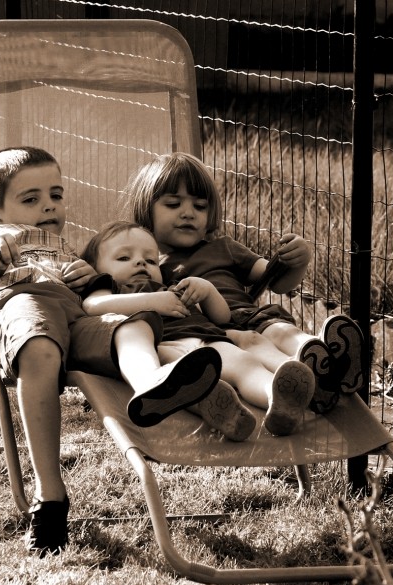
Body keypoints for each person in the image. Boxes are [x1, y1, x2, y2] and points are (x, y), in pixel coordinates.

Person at [0, 147, 224, 557]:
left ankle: (153, 386)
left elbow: (98, 302)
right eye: (31, 199)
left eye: (55, 195)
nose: (48, 206)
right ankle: (51, 496)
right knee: (40, 347)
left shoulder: (69, 250)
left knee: (133, 326)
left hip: (77, 316)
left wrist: (92, 278)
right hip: (23, 302)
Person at [124, 151, 365, 413]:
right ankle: (313, 377)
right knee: (250, 347)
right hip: (208, 334)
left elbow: (277, 282)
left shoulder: (223, 247)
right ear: (146, 209)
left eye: (200, 206)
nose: (188, 213)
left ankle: (324, 356)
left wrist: (299, 260)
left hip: (246, 314)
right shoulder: (146, 266)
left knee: (283, 332)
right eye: (173, 204)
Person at [81, 220, 320, 439]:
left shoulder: (172, 285)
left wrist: (207, 291)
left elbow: (222, 317)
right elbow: (93, 306)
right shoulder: (108, 285)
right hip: (163, 346)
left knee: (246, 365)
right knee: (187, 381)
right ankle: (224, 412)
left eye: (151, 260)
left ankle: (277, 400)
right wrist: (152, 301)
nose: (141, 262)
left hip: (208, 338)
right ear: (96, 268)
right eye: (123, 258)